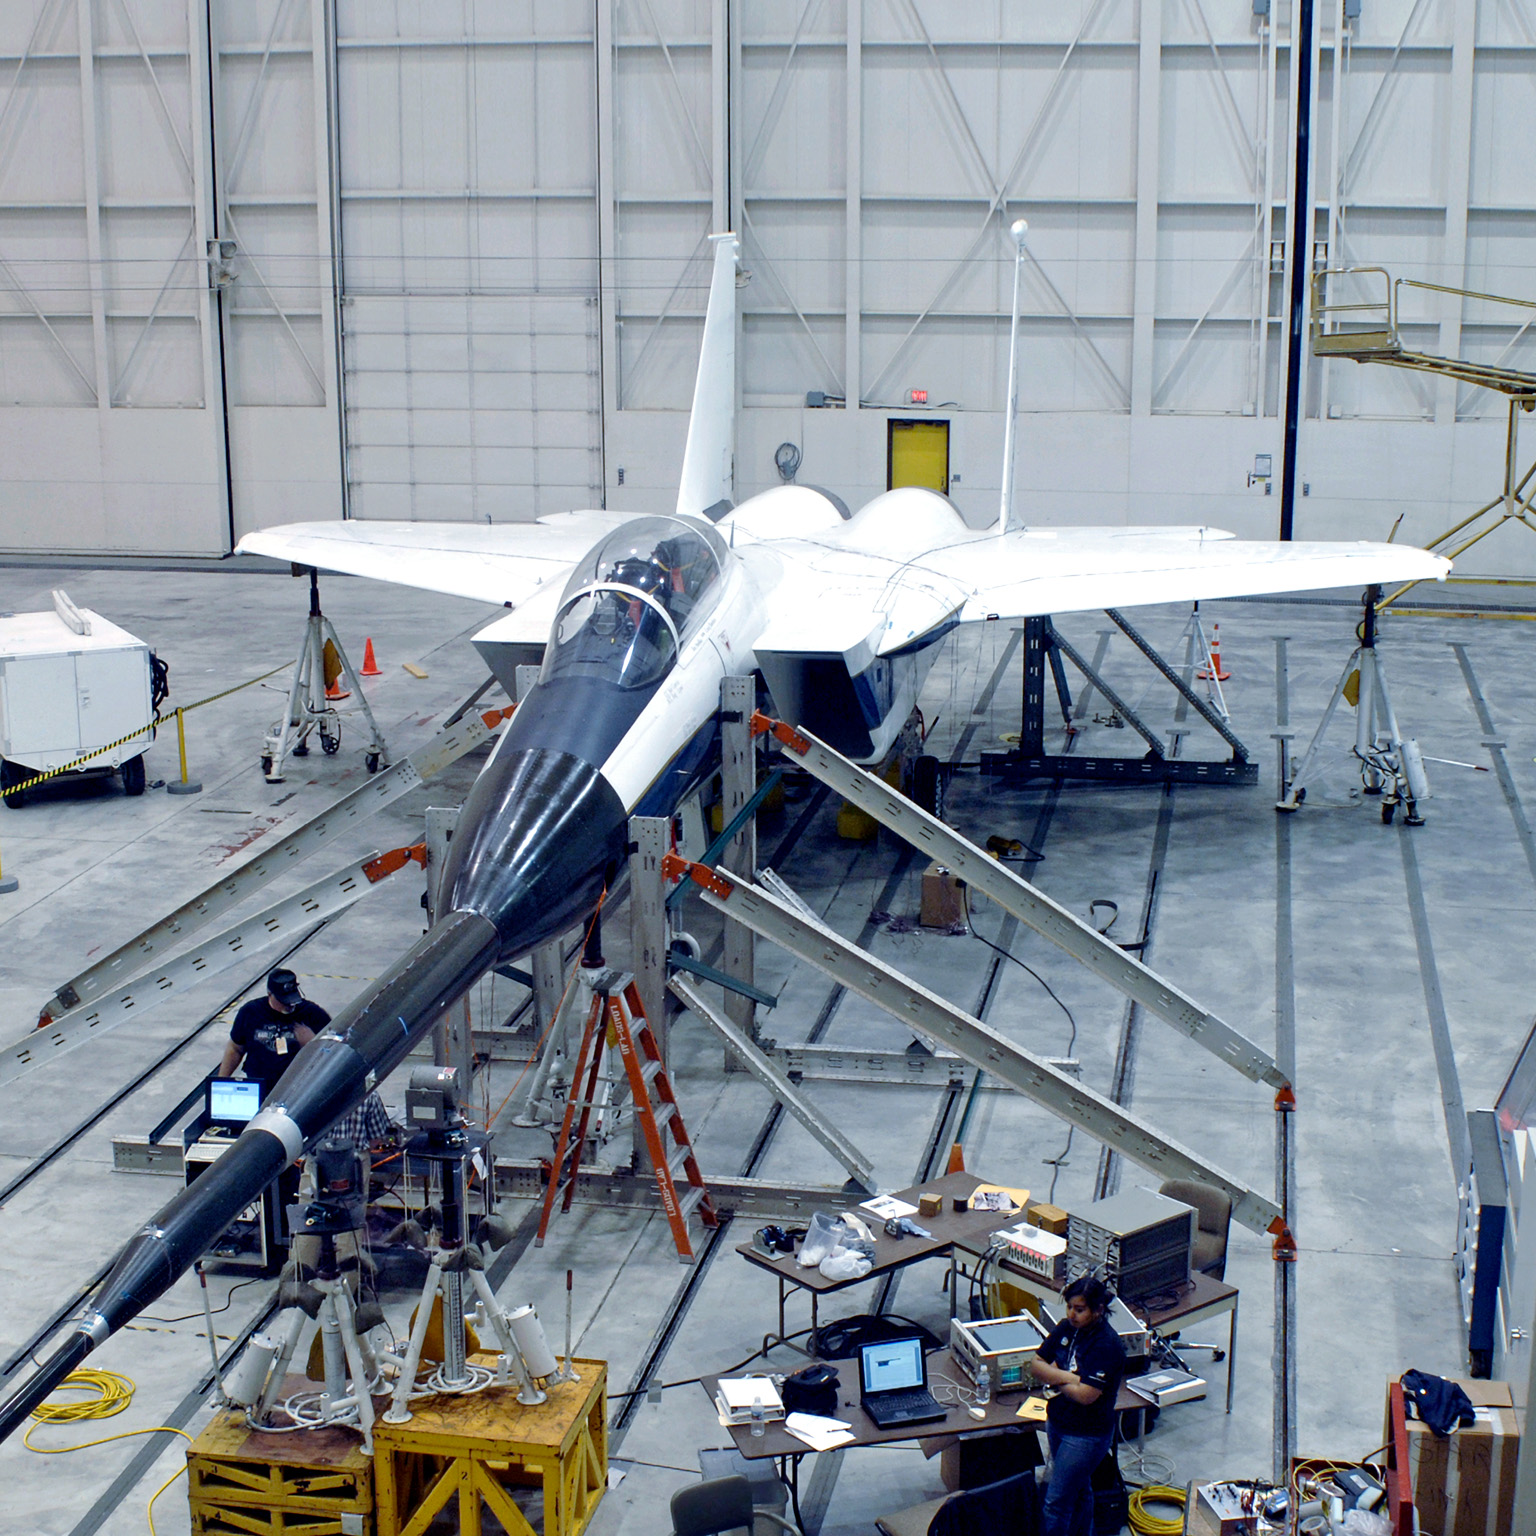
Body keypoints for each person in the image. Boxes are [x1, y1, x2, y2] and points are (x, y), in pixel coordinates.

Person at [1030, 1274, 1127, 1536]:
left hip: (1086, 1435)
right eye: (1070, 1307)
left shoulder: (1107, 1345)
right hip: (1058, 1421)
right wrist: (1069, 1378)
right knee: (1081, 1490)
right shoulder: (1066, 1327)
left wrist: (1055, 1376)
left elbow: (1086, 1395)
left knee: (1056, 1502)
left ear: (1098, 1310)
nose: (1072, 1314)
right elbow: (1036, 1365)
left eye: (1080, 1309)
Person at [219, 968, 329, 1097]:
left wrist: (311, 1043)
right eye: (284, 1001)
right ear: (270, 994)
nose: (290, 1005)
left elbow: (332, 1053)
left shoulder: (312, 1014)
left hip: (296, 1091)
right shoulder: (251, 1012)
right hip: (259, 1088)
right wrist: (222, 1082)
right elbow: (235, 1048)